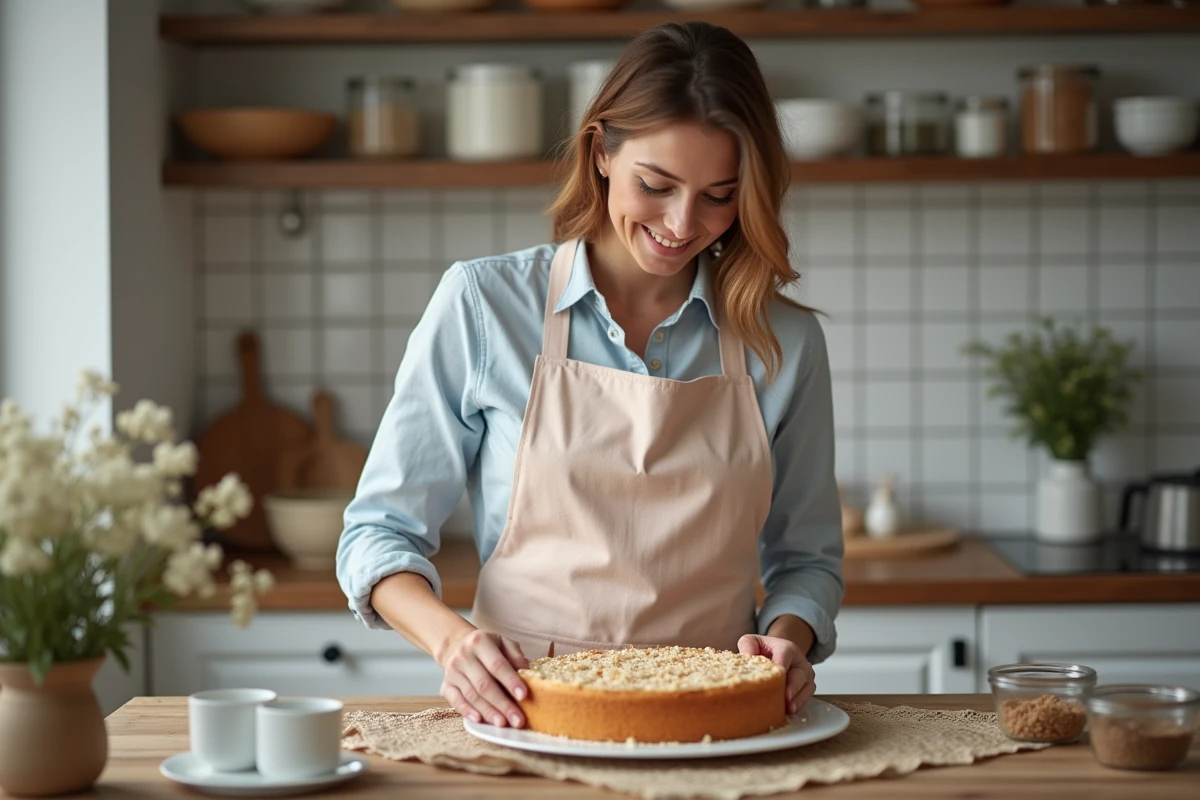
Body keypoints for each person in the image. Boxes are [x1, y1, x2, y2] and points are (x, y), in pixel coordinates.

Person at [336, 20, 843, 732]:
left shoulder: (784, 341)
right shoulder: (484, 306)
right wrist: (453, 643)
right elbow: (377, 536)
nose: (681, 223)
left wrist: (787, 643)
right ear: (602, 149)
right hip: (526, 718)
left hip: (713, 727)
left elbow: (807, 560)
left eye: (719, 195)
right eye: (657, 185)